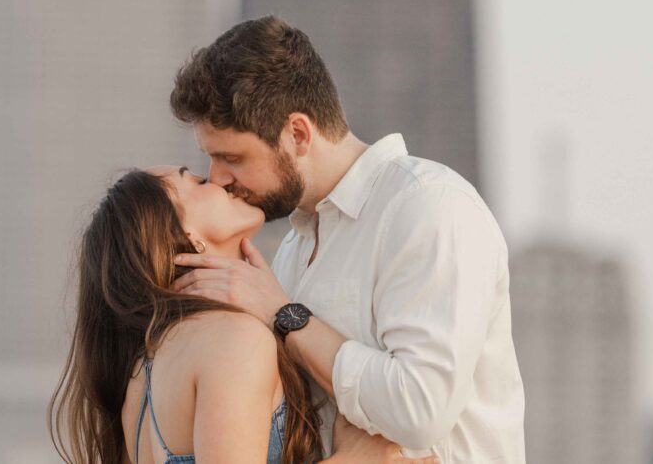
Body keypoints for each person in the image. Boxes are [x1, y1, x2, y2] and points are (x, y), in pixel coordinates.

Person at [168, 16, 526, 463]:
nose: (218, 178)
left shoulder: (427, 207)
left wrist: (285, 315)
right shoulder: (293, 252)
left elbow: (420, 411)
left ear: (297, 134)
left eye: (232, 157)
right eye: (211, 158)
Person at [49, 166, 440, 464]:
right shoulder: (232, 340)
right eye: (199, 181)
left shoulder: (147, 364)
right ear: (188, 237)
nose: (219, 179)